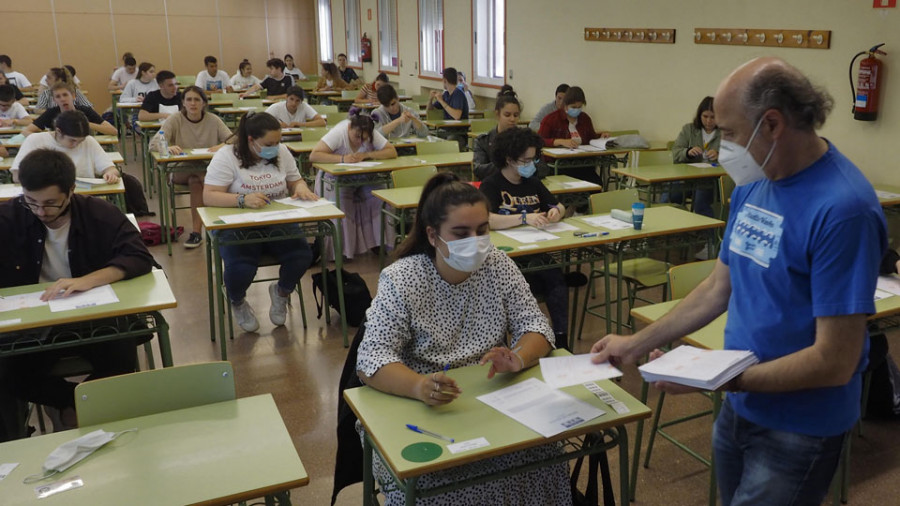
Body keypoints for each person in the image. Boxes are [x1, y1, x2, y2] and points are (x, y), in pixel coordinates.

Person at [591, 57, 887, 506]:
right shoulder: (755, 182)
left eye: (728, 133)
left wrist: (718, 379)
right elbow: (717, 287)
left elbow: (834, 360)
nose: (720, 144)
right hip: (741, 406)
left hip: (800, 425)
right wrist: (636, 344)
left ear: (772, 125)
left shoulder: (843, 209)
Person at [356, 172, 571, 506]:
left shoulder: (498, 264)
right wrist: (418, 386)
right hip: (423, 408)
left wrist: (519, 357)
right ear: (433, 235)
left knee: (544, 461)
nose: (476, 240)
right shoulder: (403, 278)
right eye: (461, 233)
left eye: (482, 230)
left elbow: (535, 325)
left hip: (490, 399)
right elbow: (372, 360)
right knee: (439, 488)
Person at [0, 149, 154, 436]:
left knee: (121, 355)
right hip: (32, 323)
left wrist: (89, 279)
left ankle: (75, 407)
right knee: (8, 373)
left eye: (50, 204)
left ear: (71, 191)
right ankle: (70, 404)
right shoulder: (10, 217)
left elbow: (139, 257)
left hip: (90, 315)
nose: (41, 212)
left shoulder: (98, 213)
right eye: (31, 202)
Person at [203, 112, 317, 333]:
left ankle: (281, 292)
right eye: (269, 143)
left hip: (276, 219)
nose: (275, 147)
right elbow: (209, 196)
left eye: (277, 142)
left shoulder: (281, 152)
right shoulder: (227, 157)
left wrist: (300, 187)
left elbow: (295, 180)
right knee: (241, 268)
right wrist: (242, 199)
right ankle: (237, 301)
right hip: (237, 224)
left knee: (302, 256)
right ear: (250, 140)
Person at [479, 127, 570, 349]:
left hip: (536, 250)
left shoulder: (533, 183)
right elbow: (486, 218)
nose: (531, 164)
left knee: (557, 282)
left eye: (534, 159)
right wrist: (523, 217)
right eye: (526, 160)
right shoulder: (492, 184)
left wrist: (556, 212)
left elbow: (557, 205)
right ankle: (510, 345)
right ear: (509, 159)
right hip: (507, 258)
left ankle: (561, 340)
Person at [308, 114, 398, 260]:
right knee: (341, 203)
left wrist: (367, 154)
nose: (360, 141)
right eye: (357, 136)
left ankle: (379, 243)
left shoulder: (368, 130)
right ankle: (341, 251)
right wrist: (343, 159)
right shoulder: (339, 132)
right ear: (349, 127)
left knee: (381, 198)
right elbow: (314, 155)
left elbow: (391, 151)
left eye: (364, 139)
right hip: (333, 178)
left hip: (361, 177)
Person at [158, 86, 233, 249]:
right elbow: (155, 142)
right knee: (206, 178)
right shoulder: (174, 119)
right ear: (183, 103)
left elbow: (232, 140)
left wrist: (222, 146)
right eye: (189, 100)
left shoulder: (213, 120)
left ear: (204, 103)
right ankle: (220, 224)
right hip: (179, 169)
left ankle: (197, 233)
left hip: (204, 169)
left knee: (196, 182)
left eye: (197, 100)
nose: (193, 103)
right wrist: (166, 147)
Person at [14, 111, 120, 184]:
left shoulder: (89, 141)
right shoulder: (35, 140)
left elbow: (111, 169)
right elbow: (17, 175)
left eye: (80, 141)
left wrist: (111, 174)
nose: (76, 145)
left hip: (83, 197)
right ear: (58, 131)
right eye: (72, 140)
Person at [538, 86, 609, 185]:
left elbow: (591, 138)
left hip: (583, 164)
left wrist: (601, 138)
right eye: (573, 107)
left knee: (597, 184)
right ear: (565, 105)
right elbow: (538, 141)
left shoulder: (585, 119)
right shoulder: (551, 119)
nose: (577, 110)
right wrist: (559, 141)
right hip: (560, 166)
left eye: (579, 107)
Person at [474, 86, 548, 180]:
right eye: (507, 115)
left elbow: (544, 168)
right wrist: (508, 164)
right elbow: (479, 170)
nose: (512, 119)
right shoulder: (483, 141)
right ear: (497, 114)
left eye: (516, 115)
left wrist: (528, 166)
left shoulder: (528, 140)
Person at [666, 95, 720, 217]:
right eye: (705, 116)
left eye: (713, 117)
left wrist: (719, 155)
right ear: (699, 115)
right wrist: (687, 152)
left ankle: (709, 235)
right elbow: (675, 152)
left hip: (712, 181)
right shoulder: (689, 129)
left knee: (700, 203)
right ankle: (676, 230)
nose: (708, 121)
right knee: (669, 195)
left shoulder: (725, 133)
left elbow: (736, 156)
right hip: (687, 179)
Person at [25, 82, 116, 136]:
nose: (62, 99)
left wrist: (85, 124)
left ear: (73, 96)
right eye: (58, 96)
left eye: (65, 95)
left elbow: (113, 131)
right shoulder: (51, 113)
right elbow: (26, 131)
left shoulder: (85, 110)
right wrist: (49, 138)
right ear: (54, 100)